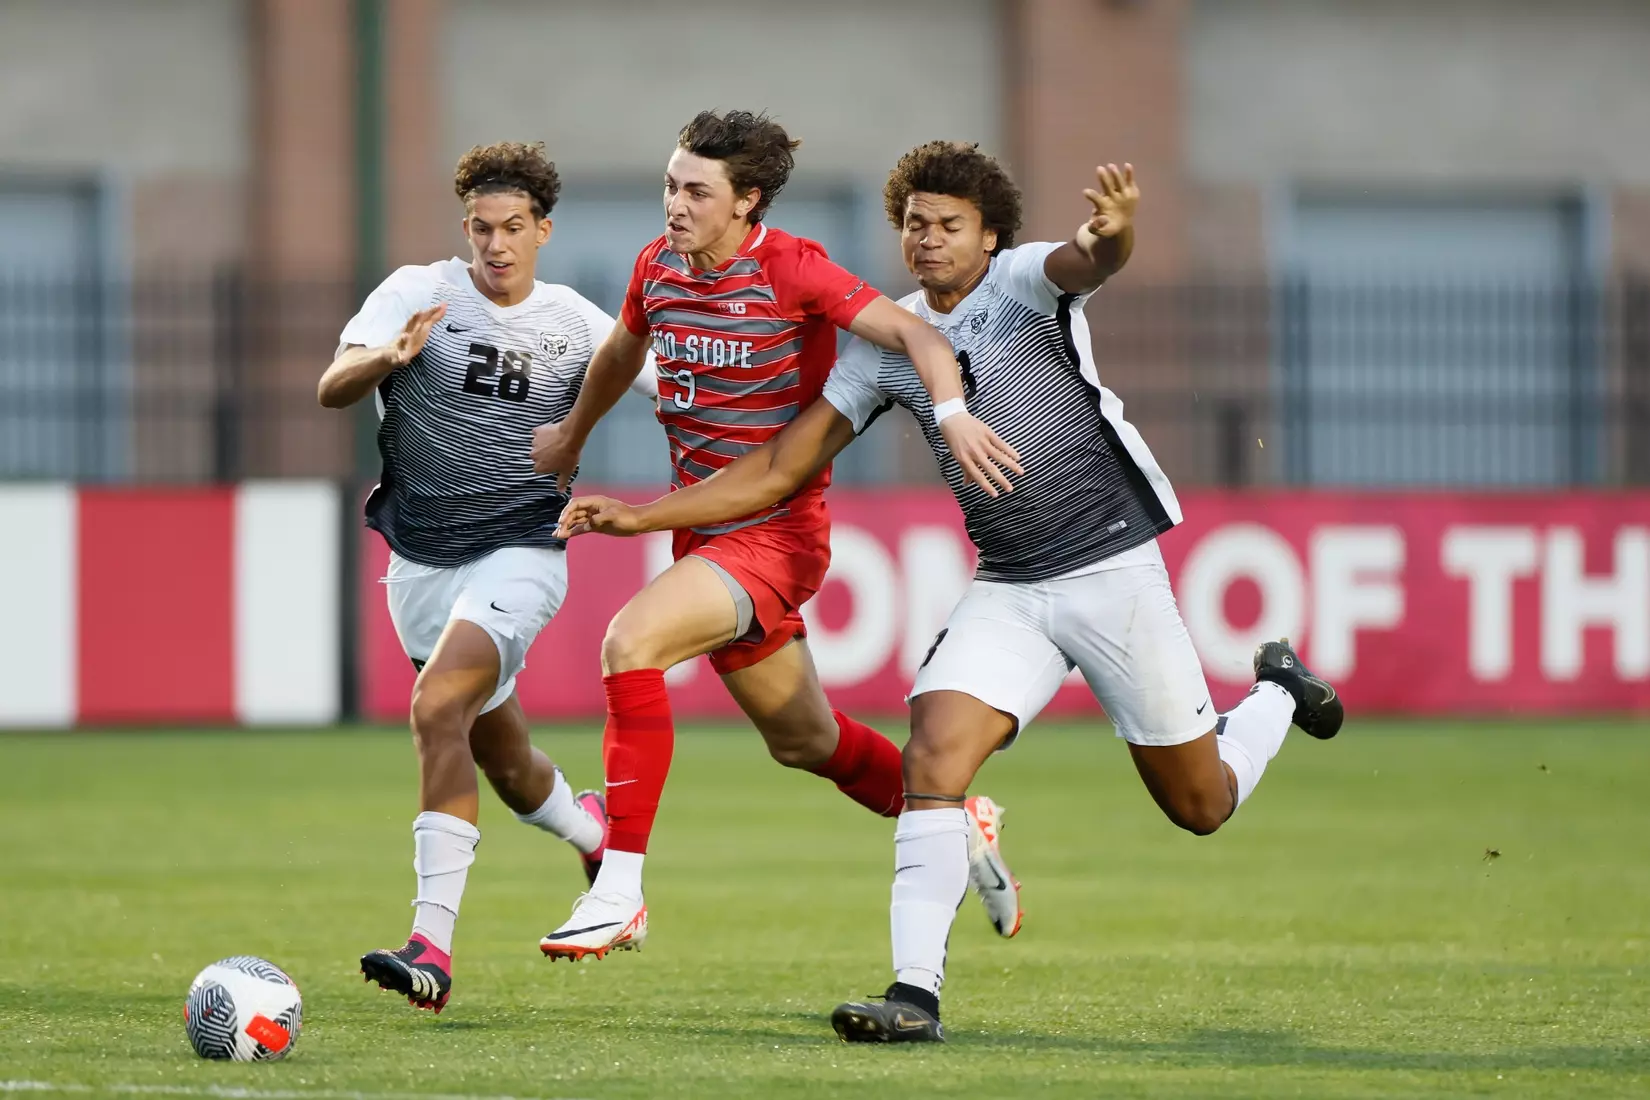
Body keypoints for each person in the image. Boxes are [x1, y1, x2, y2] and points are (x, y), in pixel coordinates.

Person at [555, 142, 1345, 1041]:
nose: (928, 241)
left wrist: (1114, 234)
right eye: (914, 224)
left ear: (989, 234)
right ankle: (914, 996)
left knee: (1200, 805)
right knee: (931, 759)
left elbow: (1085, 259)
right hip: (1010, 587)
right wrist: (646, 517)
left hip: (1109, 568)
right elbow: (778, 467)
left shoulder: (1019, 282)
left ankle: (1277, 690)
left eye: (948, 225)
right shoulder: (883, 343)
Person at [529, 112, 1026, 961]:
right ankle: (948, 815)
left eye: (696, 191)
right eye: (670, 185)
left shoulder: (792, 268)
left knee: (630, 643)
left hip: (774, 535)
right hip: (707, 532)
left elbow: (913, 332)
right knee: (807, 741)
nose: (675, 205)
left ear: (747, 200)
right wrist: (572, 435)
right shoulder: (658, 266)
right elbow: (619, 351)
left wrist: (950, 408)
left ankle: (618, 890)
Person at [318, 141, 658, 1013]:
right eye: (481, 228)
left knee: (436, 709)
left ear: (543, 230)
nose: (496, 246)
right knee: (500, 758)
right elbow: (333, 386)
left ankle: (431, 946)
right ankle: (591, 833)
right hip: (421, 563)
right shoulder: (416, 291)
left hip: (523, 551)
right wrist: (386, 357)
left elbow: (677, 394)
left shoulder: (578, 322)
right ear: (463, 228)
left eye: (514, 228)